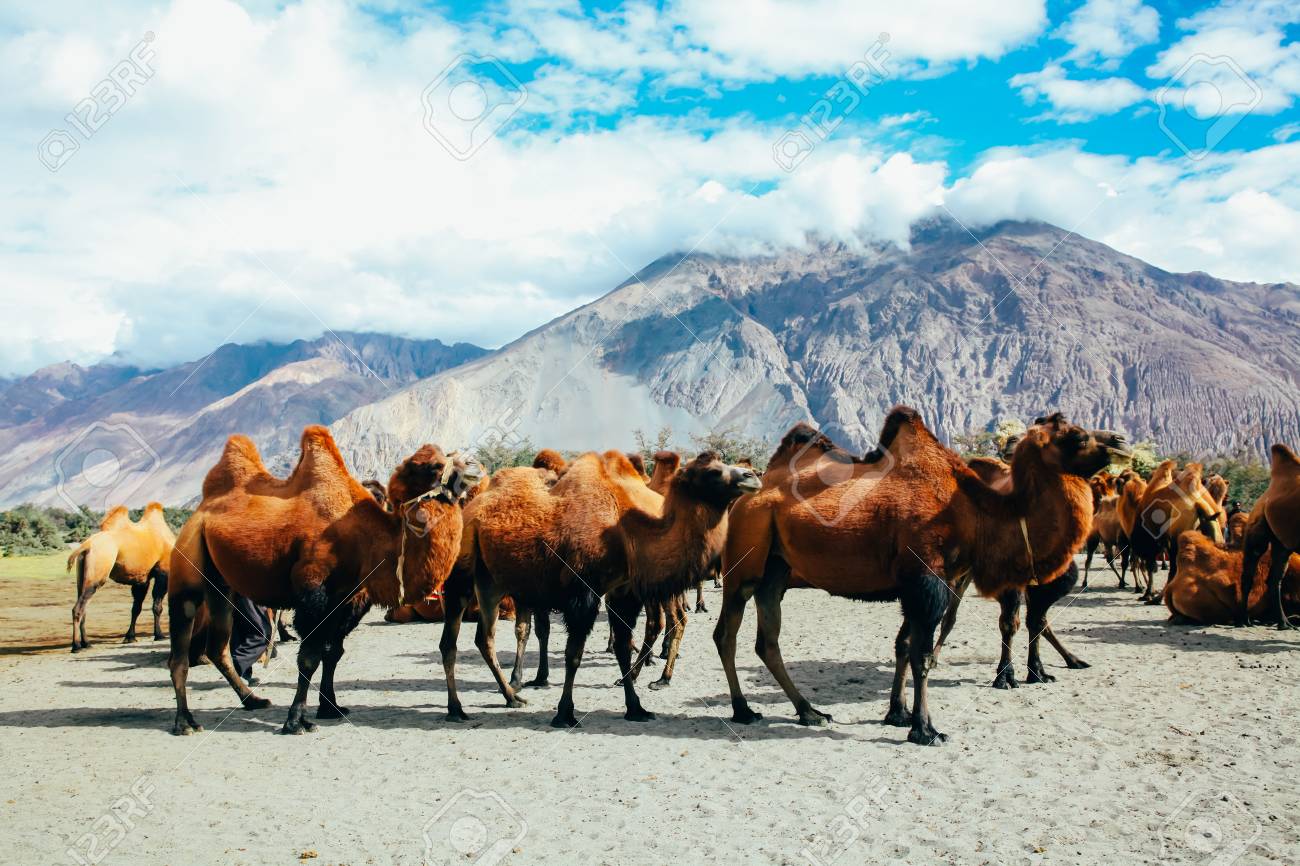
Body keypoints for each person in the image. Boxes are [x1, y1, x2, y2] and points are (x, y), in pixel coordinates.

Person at [229, 594, 272, 686]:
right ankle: (237, 667)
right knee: (262, 632)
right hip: (247, 588)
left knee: (242, 628)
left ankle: (242, 674)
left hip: (236, 588)